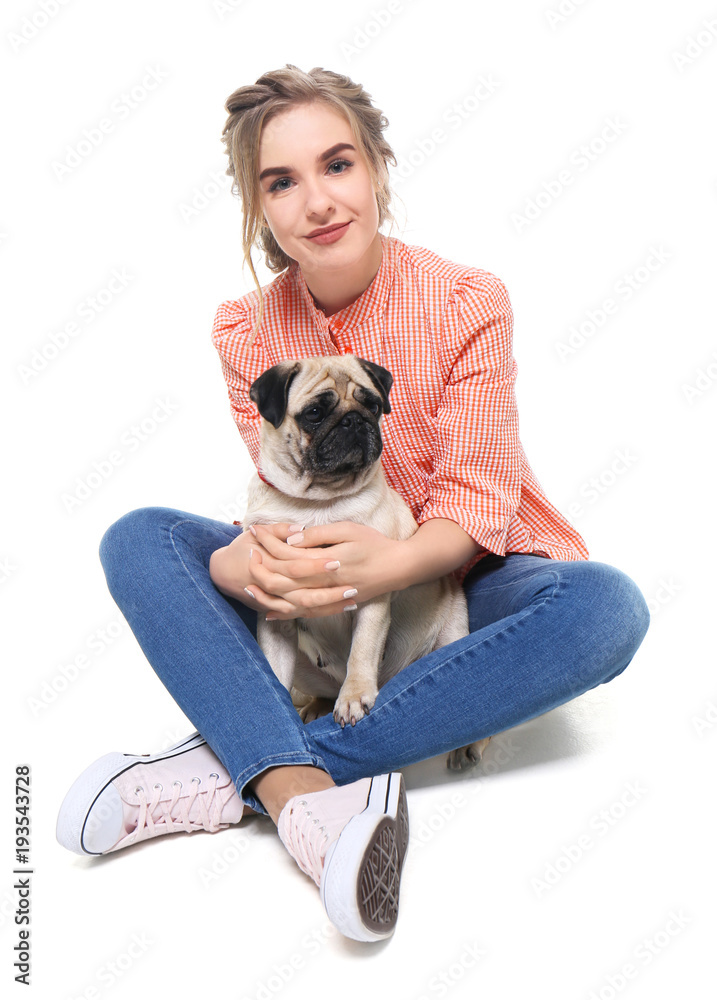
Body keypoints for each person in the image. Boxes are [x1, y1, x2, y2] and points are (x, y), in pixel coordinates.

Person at [56, 65, 650, 943]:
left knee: (605, 609)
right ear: (257, 209)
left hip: (462, 575)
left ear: (376, 165)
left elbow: (481, 489)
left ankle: (248, 773)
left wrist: (399, 561)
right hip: (313, 576)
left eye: (337, 164)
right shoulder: (241, 330)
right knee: (138, 537)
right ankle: (311, 797)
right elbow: (275, 486)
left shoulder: (465, 299)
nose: (318, 201)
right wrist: (237, 562)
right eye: (281, 181)